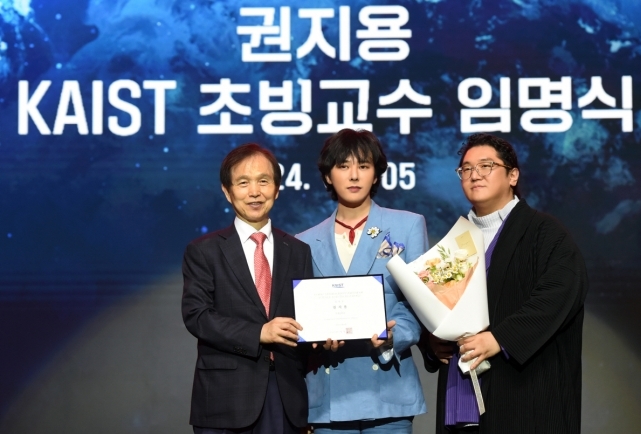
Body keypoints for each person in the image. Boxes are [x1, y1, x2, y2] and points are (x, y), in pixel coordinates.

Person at [420, 133, 588, 433]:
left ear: (513, 176)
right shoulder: (454, 242)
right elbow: (435, 307)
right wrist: (433, 342)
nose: (475, 175)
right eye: (466, 169)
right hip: (463, 394)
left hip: (526, 394)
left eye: (486, 166)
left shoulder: (545, 233)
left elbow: (559, 295)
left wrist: (500, 338)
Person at [296, 128, 427, 434]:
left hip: (387, 387)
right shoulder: (304, 242)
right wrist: (314, 336)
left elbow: (419, 302)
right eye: (343, 166)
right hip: (329, 394)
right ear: (328, 176)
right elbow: (303, 311)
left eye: (364, 166)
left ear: (376, 174)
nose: (354, 175)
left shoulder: (407, 226)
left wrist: (395, 335)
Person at [181, 143, 313, 434]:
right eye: (243, 183)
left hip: (286, 395)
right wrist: (259, 333)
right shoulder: (203, 251)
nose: (255, 192)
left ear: (277, 189)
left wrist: (325, 336)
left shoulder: (298, 250)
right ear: (227, 191)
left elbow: (307, 318)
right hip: (224, 398)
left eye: (264, 181)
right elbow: (197, 316)